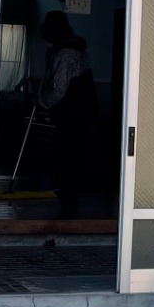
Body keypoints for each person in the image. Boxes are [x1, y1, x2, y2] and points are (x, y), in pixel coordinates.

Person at [38, 12, 96, 213]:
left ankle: (68, 199)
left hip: (72, 112)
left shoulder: (66, 53)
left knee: (67, 153)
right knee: (72, 153)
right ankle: (69, 197)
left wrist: (42, 101)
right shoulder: (75, 49)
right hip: (81, 111)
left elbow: (59, 89)